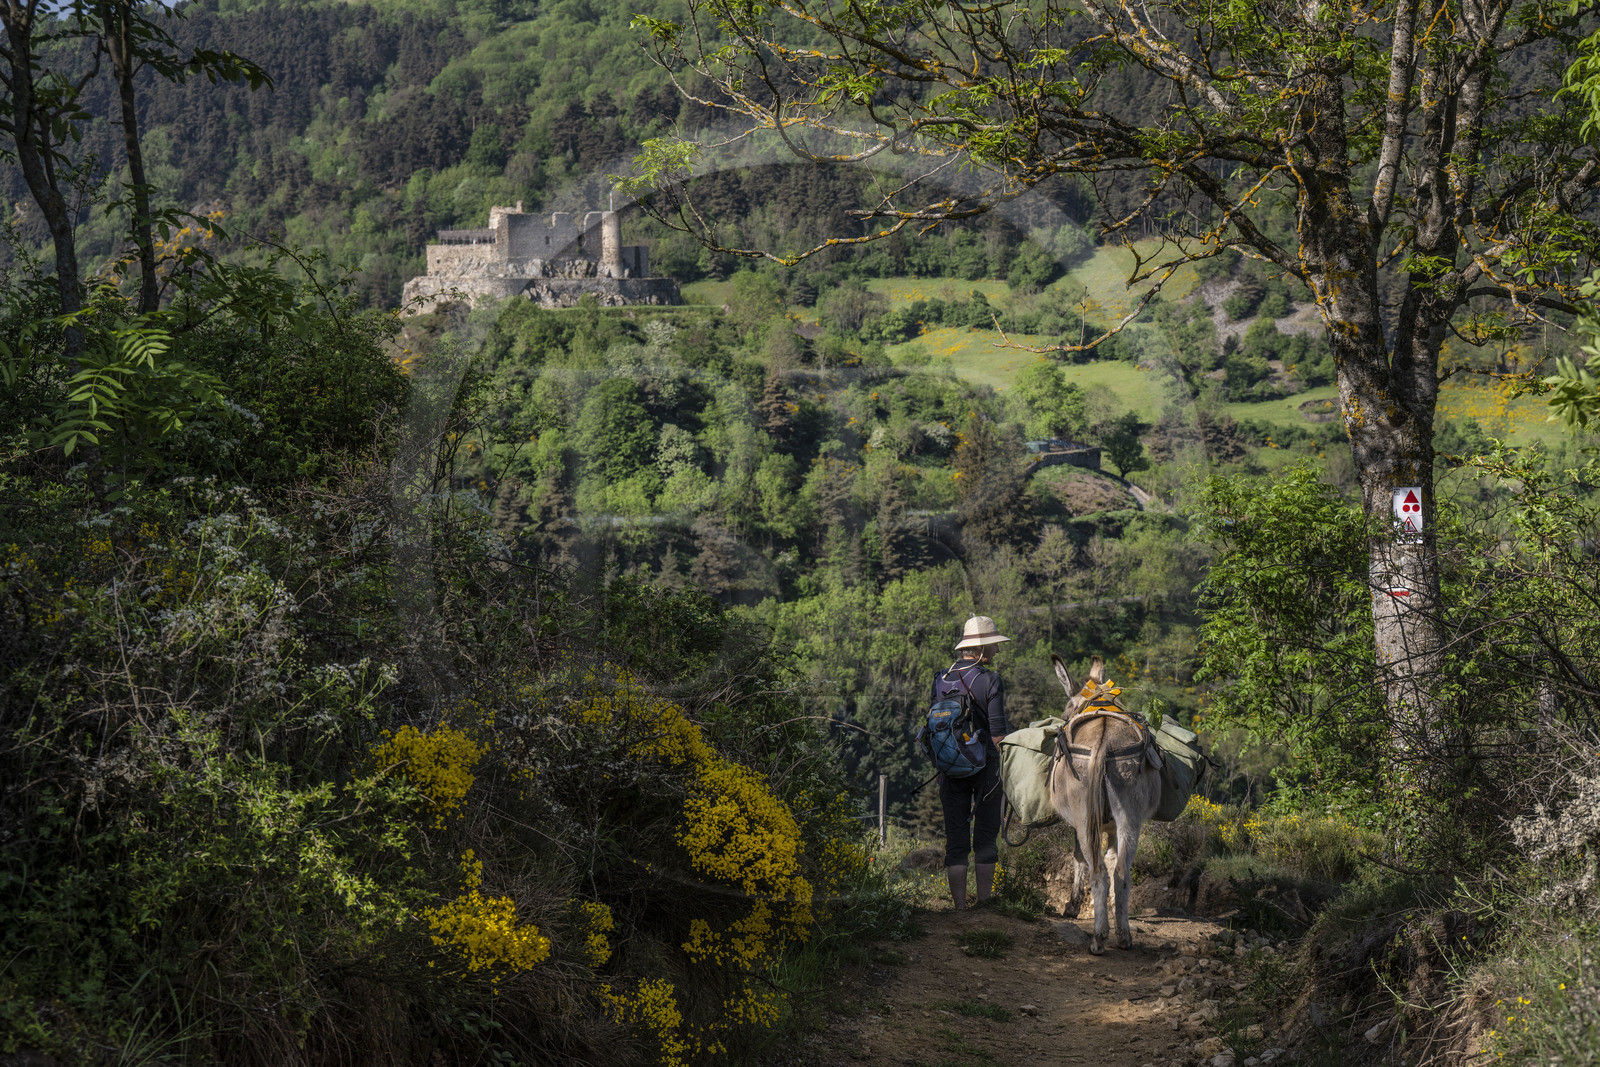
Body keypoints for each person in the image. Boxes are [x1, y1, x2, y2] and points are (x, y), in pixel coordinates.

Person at [934, 615, 1011, 911]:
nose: (996, 651)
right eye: (992, 646)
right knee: (986, 837)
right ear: (979, 650)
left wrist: (942, 768)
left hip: (949, 770)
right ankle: (984, 904)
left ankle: (959, 909)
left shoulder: (940, 680)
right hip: (985, 770)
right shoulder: (990, 680)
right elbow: (998, 735)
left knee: (955, 841)